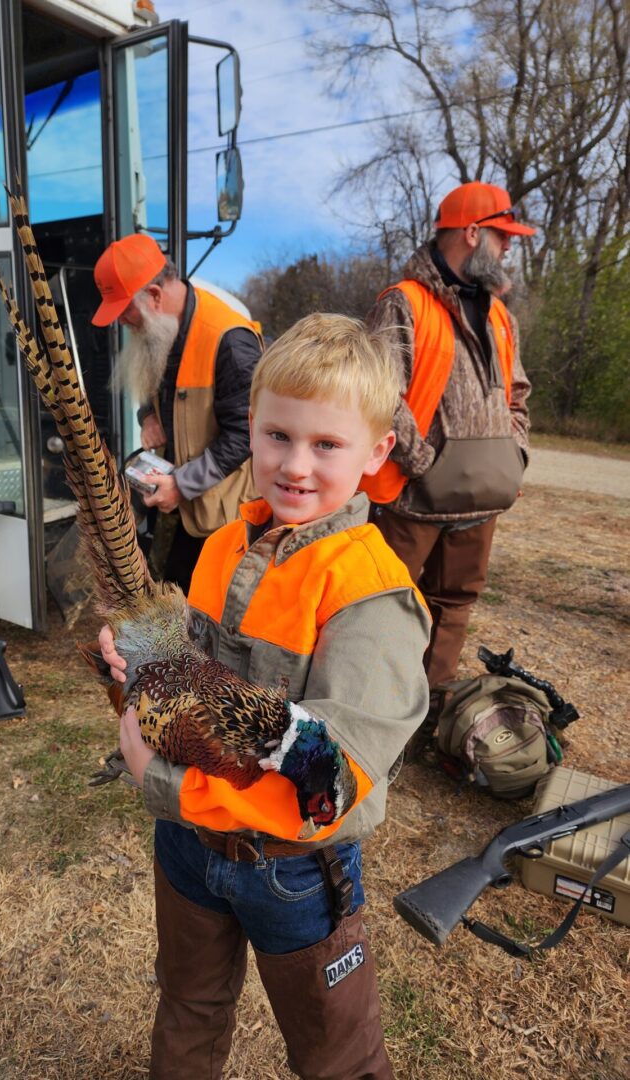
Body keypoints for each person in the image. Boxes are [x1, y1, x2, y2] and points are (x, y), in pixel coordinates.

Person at [99, 313, 431, 1080]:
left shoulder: (371, 596)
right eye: (278, 435)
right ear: (251, 425)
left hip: (293, 873)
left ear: (378, 453)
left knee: (337, 1057)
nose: (295, 466)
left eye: (327, 444)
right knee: (188, 1006)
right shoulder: (223, 544)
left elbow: (327, 779)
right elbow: (197, 666)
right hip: (189, 852)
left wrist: (166, 782)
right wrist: (144, 658)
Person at [363, 181, 532, 741]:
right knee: (383, 608)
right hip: (413, 500)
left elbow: (518, 393)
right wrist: (422, 463)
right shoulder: (403, 301)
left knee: (454, 606)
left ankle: (429, 719)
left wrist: (516, 454)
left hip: (482, 500)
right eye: (504, 237)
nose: (509, 248)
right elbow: (379, 392)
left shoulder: (501, 316)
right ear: (473, 232)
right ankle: (373, 713)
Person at [91, 233, 262, 593]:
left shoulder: (230, 340)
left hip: (221, 519)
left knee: (203, 616)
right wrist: (147, 416)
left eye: (124, 310)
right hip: (174, 508)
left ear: (154, 295)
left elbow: (247, 434)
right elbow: (148, 382)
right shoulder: (160, 327)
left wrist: (182, 485)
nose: (122, 321)